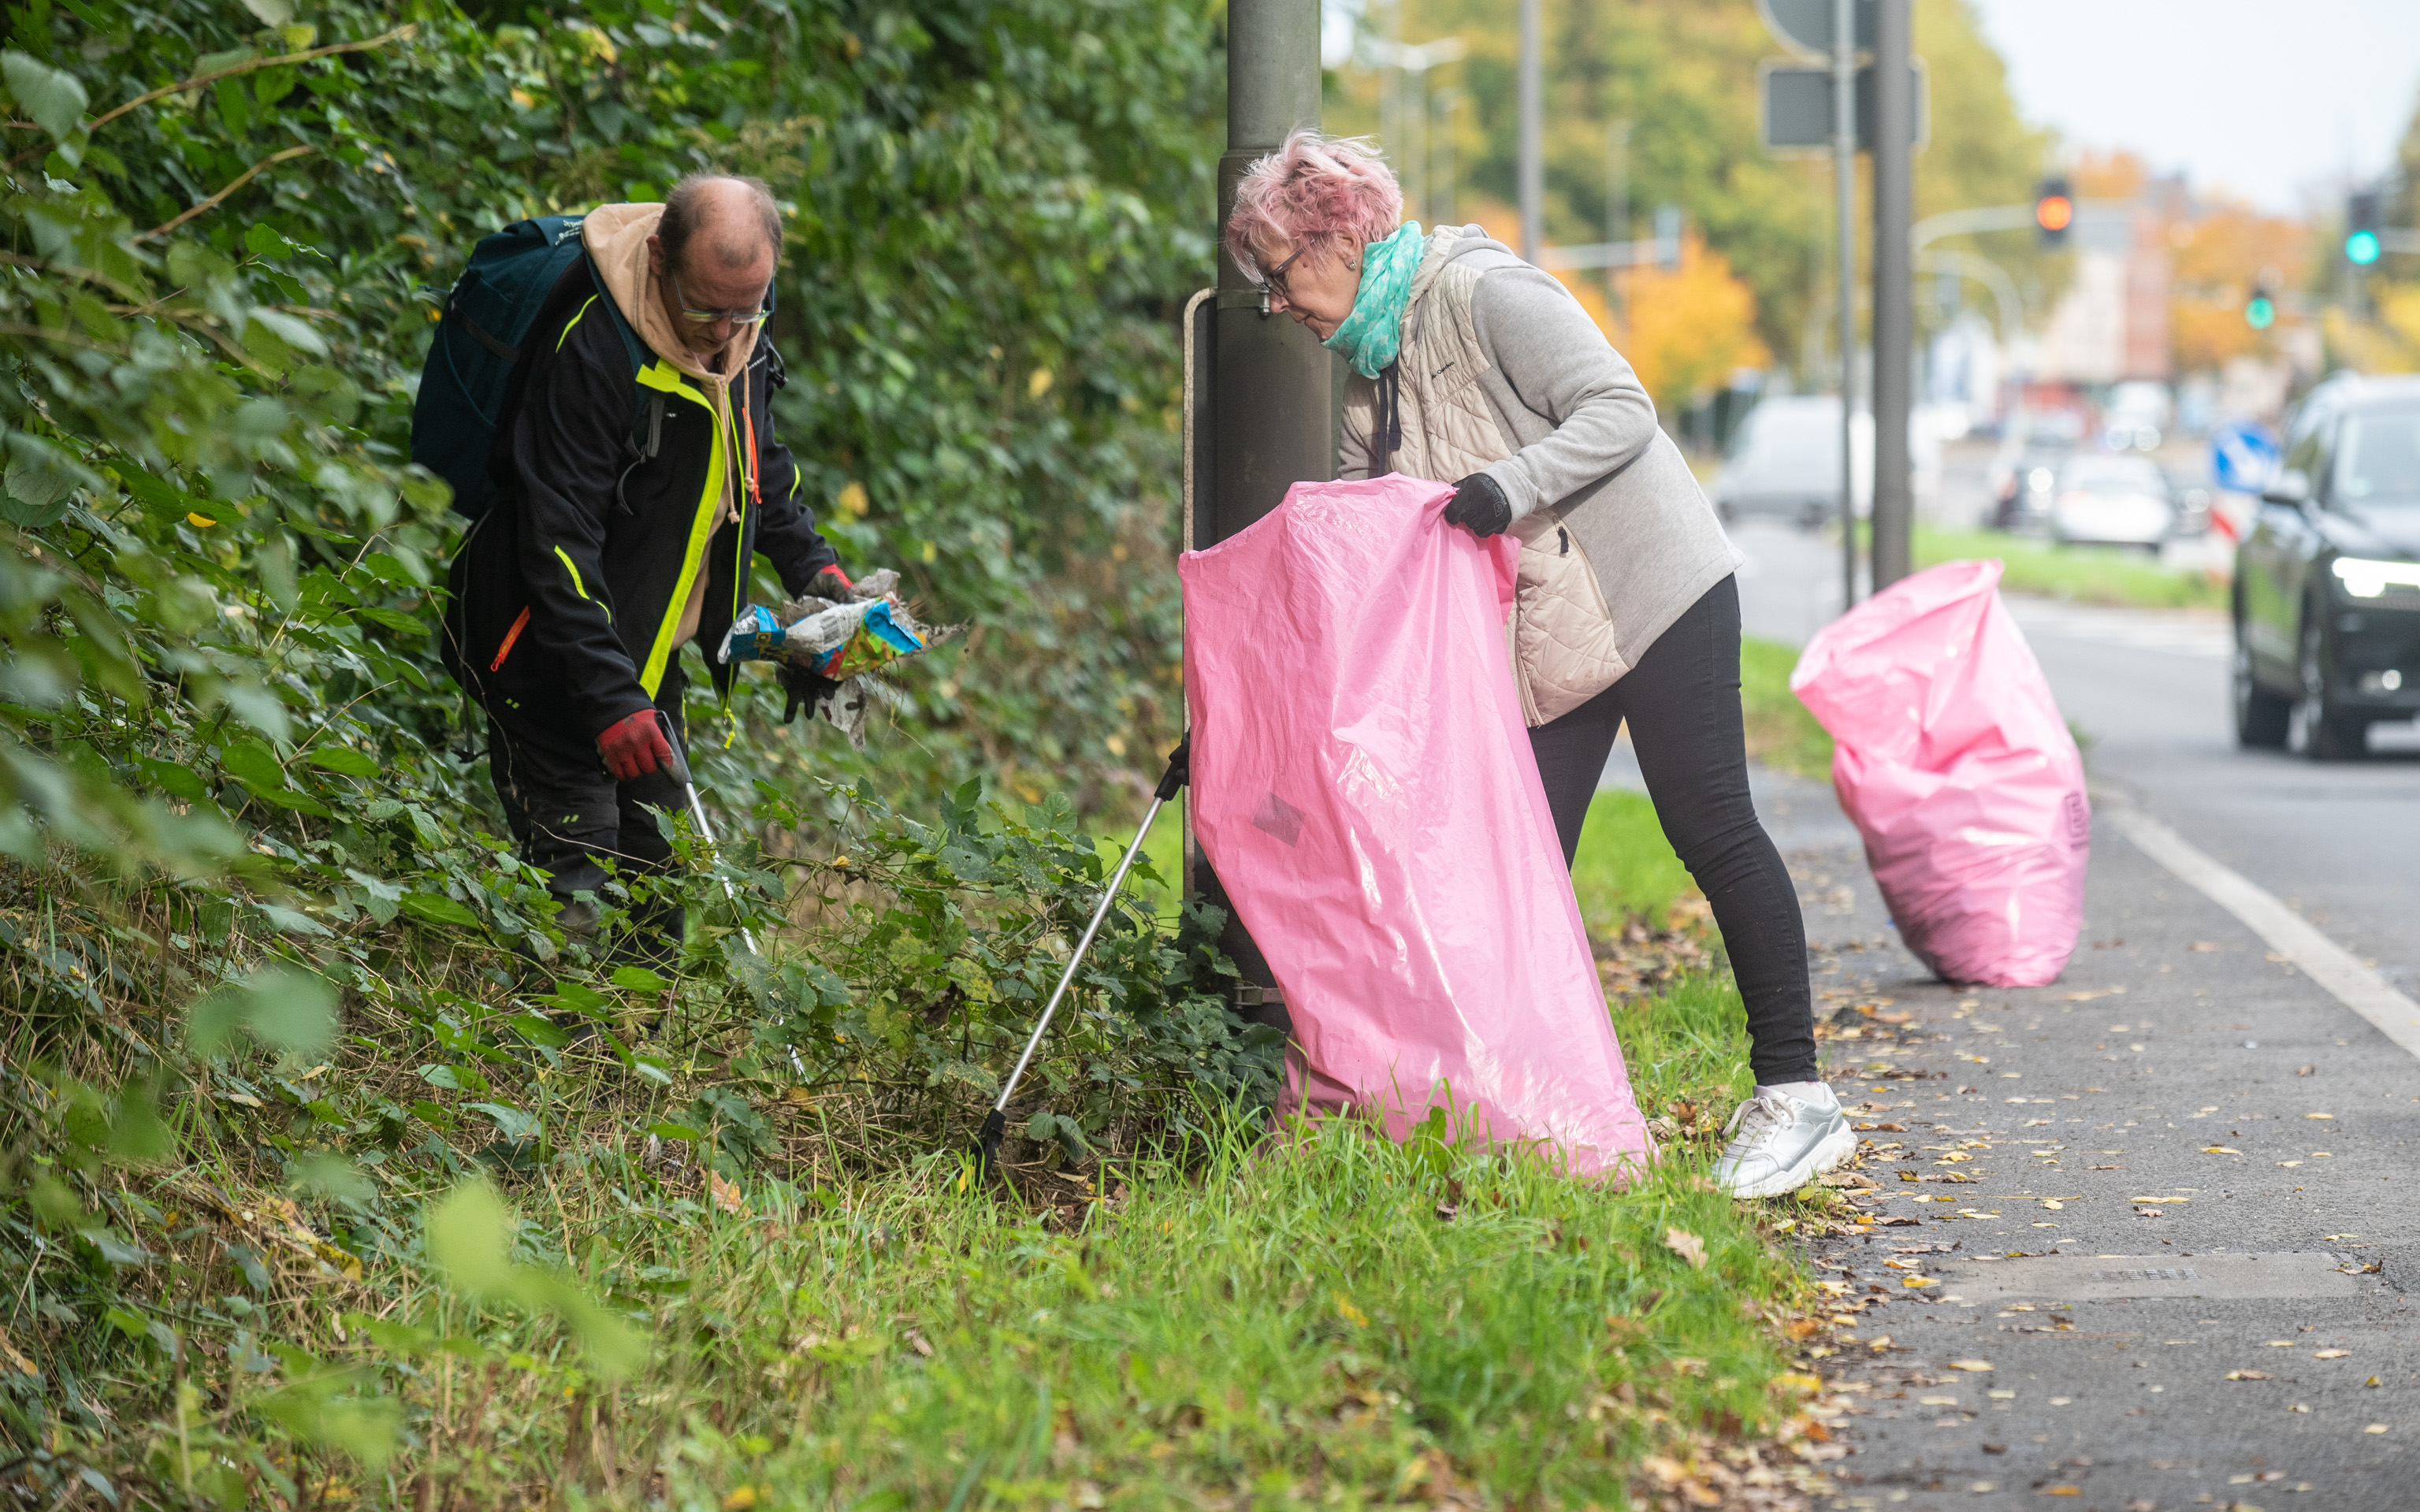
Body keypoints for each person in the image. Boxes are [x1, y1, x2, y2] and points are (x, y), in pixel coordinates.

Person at [1221, 131, 1846, 1199]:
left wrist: (1506, 484)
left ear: (1337, 235)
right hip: (1551, 643)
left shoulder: (1482, 292)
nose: (1277, 303)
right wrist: (1246, 696)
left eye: (1278, 274)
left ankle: (1796, 1097)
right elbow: (1353, 551)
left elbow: (1620, 407)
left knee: (1706, 821)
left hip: (1650, 588)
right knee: (1509, 869)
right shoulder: (1372, 370)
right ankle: (1514, 1107)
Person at [444, 173, 846, 960]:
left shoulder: (740, 337)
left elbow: (759, 463)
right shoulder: (593, 350)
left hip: (643, 649)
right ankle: (551, 1065)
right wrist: (611, 700)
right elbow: (555, 542)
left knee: (660, 875)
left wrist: (817, 573)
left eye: (748, 307)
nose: (724, 330)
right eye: (706, 308)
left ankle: (633, 1070)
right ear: (660, 255)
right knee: (576, 877)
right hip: (543, 652)